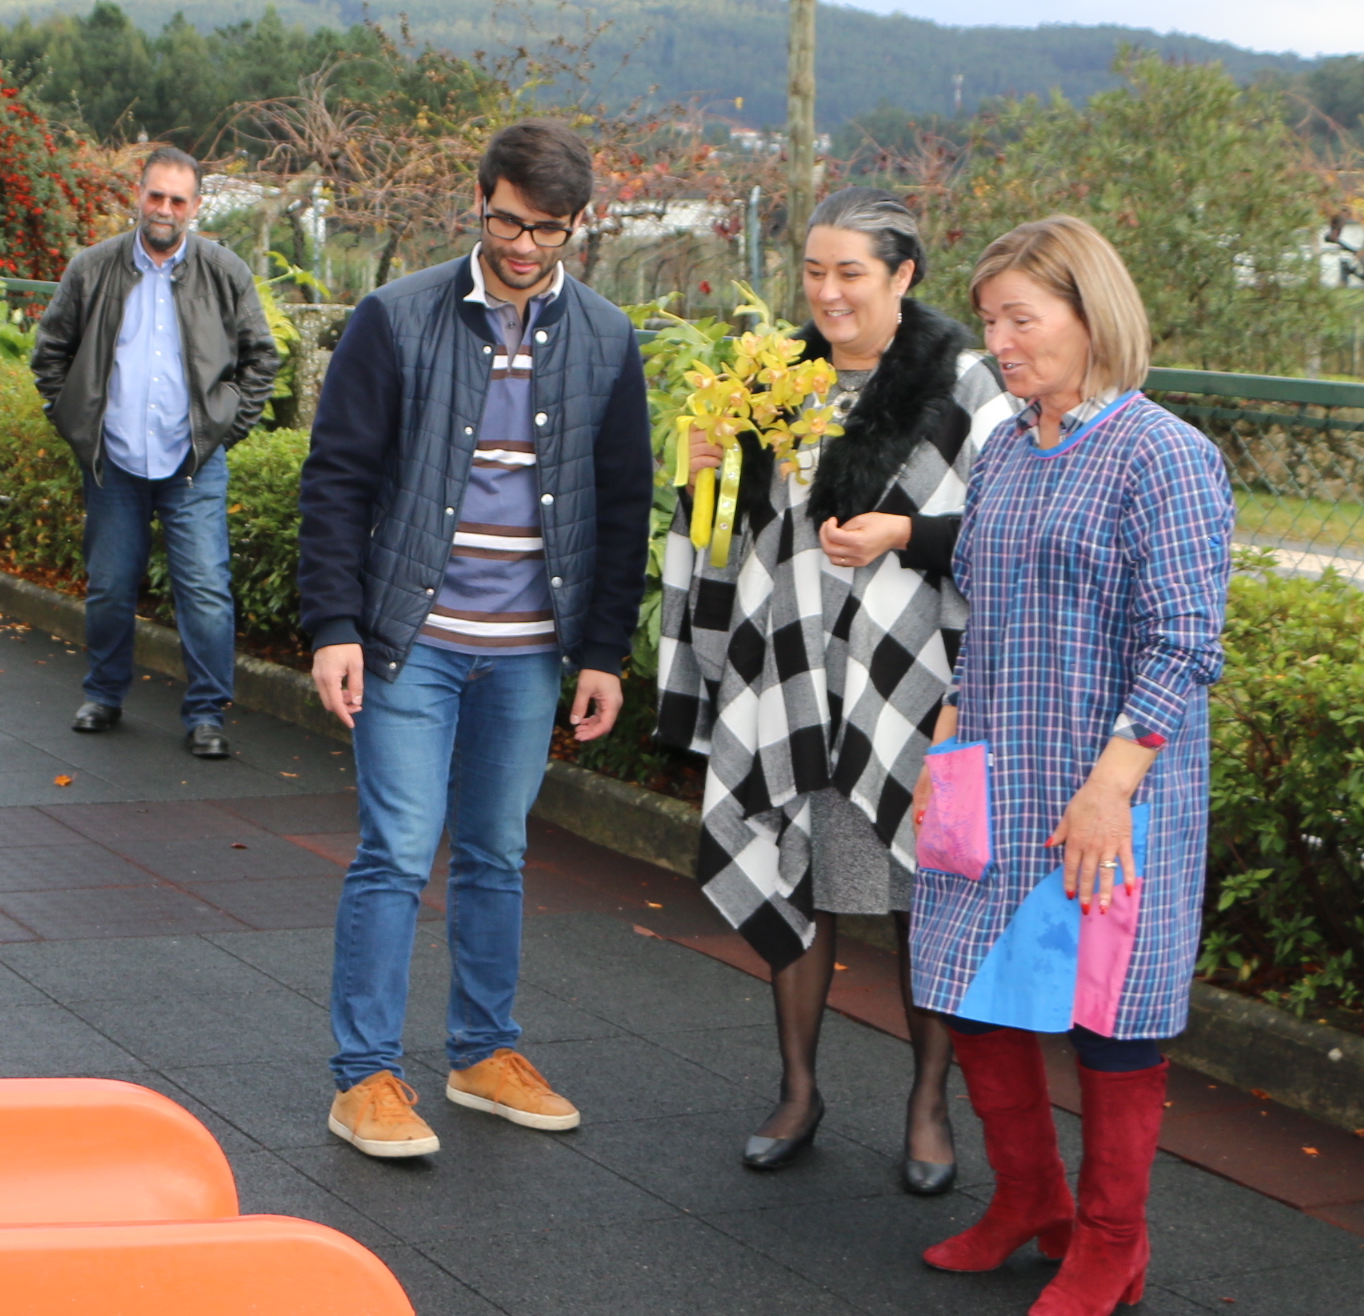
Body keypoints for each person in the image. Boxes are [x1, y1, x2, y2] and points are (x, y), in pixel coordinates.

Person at [297, 121, 654, 1159]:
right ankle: (363, 1076)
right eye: (508, 219)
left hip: (532, 649)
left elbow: (622, 504)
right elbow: (337, 481)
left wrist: (602, 652)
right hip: (413, 638)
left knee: (497, 850)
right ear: (480, 201)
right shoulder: (396, 317)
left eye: (549, 228)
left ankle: (482, 1051)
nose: (525, 245)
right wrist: (332, 625)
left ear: (577, 226)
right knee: (400, 849)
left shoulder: (606, 336)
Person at [656, 188, 1011, 1181]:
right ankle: (799, 1087)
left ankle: (928, 1104)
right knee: (797, 869)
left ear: (903, 276)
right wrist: (703, 478)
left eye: (850, 271)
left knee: (920, 894)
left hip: (917, 679)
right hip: (791, 666)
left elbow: (1004, 534)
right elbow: (731, 540)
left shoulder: (968, 390)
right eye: (813, 270)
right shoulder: (772, 383)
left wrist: (906, 532)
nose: (826, 290)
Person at [913, 216, 1230, 1316]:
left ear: (1092, 318)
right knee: (976, 991)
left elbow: (1186, 639)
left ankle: (1110, 1240)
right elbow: (981, 616)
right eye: (991, 317)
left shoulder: (1165, 452)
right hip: (998, 773)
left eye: (1023, 318)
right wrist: (947, 747)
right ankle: (1030, 1203)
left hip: (1114, 787)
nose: (1000, 340)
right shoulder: (1003, 445)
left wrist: (1110, 786)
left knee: (1113, 1016)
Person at [30, 144, 283, 759]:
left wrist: (224, 427)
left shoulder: (225, 272)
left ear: (195, 206)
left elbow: (261, 359)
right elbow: (51, 352)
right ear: (137, 197)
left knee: (204, 590)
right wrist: (75, 422)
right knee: (111, 586)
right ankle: (104, 694)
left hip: (192, 462)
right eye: (155, 195)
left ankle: (206, 715)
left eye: (177, 199)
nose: (164, 208)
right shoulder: (92, 268)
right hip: (113, 460)